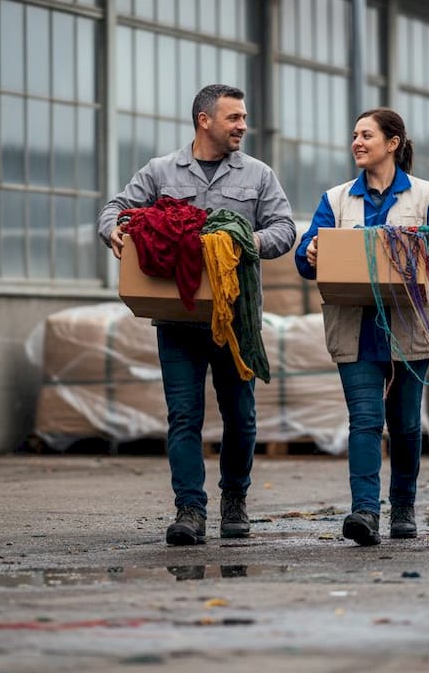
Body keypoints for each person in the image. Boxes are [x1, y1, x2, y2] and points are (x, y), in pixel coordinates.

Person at [99, 84, 296, 546]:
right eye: (233, 118)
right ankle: (188, 509)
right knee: (183, 418)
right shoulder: (162, 172)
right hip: (178, 320)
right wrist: (115, 232)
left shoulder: (259, 175)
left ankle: (234, 500)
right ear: (204, 120)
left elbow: (284, 229)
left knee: (241, 418)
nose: (242, 126)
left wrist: (242, 245)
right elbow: (116, 208)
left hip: (235, 320)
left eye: (243, 117)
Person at [294, 108, 429, 546]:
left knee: (406, 425)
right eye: (354, 135)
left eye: (366, 135)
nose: (357, 142)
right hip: (356, 328)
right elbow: (305, 255)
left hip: (409, 329)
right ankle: (365, 513)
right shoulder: (336, 200)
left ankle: (403, 506)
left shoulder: (426, 196)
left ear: (392, 144)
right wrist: (311, 251)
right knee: (365, 421)